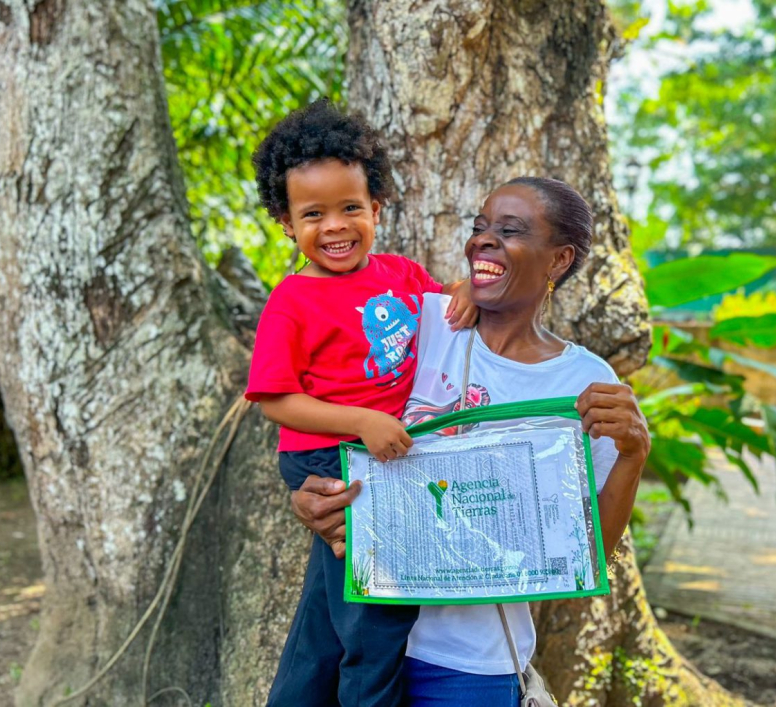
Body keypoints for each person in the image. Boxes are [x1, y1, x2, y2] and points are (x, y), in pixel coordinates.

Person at [290, 176, 651, 706]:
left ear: (558, 260)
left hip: (468, 665)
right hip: (355, 641)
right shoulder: (416, 325)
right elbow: (324, 419)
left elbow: (591, 552)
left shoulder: (583, 382)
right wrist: (311, 498)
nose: (483, 239)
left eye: (510, 230)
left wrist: (632, 457)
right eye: (480, 227)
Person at [245, 99, 477, 707]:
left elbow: (444, 312)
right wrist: (363, 421)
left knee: (327, 619)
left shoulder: (402, 274)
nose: (335, 226)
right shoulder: (292, 301)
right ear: (287, 223)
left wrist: (464, 292)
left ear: (375, 207)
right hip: (331, 457)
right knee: (377, 619)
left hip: (380, 453)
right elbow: (275, 400)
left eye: (350, 207)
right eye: (313, 214)